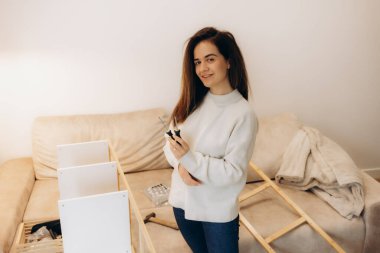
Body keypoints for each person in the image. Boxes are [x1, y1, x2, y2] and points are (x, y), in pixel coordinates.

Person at [163, 27, 257, 253]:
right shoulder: (190, 102)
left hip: (217, 213)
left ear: (228, 62)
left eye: (210, 59)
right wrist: (181, 166)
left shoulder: (243, 114)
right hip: (182, 203)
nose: (202, 69)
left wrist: (189, 159)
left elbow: (233, 171)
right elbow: (168, 145)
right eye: (197, 62)